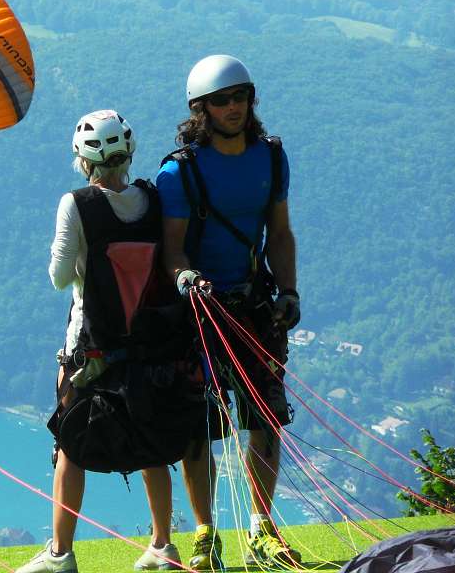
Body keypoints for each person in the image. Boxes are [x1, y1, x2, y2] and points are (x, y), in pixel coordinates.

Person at [18, 109, 184, 573]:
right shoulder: (153, 199)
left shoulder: (77, 204)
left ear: (83, 160)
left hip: (89, 346)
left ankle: (60, 554)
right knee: (151, 442)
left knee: (70, 443)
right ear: (129, 151)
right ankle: (162, 545)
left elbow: (58, 277)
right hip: (148, 343)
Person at [156, 54, 302, 569]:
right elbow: (172, 249)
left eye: (242, 96)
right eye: (221, 100)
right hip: (199, 311)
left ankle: (262, 528)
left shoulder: (271, 158)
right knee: (199, 425)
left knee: (266, 416)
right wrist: (185, 278)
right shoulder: (179, 172)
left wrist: (289, 291)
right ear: (201, 109)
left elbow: (279, 233)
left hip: (255, 304)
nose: (234, 106)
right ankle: (205, 533)